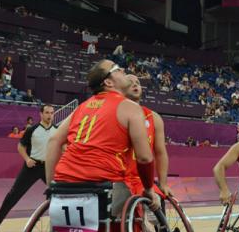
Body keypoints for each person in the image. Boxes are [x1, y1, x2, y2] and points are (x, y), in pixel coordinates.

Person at [44, 60, 156, 215]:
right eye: (117, 69)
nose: (123, 69)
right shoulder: (131, 108)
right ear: (108, 82)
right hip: (104, 183)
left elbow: (53, 141)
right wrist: (149, 189)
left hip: (66, 182)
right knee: (128, 211)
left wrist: (52, 186)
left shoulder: (81, 107)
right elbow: (144, 158)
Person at [0, 104, 58, 232]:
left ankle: (56, 228)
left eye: (52, 113)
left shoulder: (57, 130)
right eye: (47, 113)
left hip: (48, 167)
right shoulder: (32, 129)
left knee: (57, 195)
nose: (50, 115)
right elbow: (20, 146)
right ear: (41, 114)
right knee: (14, 194)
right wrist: (27, 159)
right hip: (32, 166)